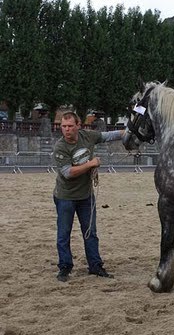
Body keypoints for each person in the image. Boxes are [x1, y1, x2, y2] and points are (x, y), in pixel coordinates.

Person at [53, 111, 126, 282]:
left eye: (70, 126)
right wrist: (91, 164)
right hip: (65, 197)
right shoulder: (60, 147)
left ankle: (95, 266)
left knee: (90, 232)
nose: (66, 130)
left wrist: (128, 131)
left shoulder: (88, 136)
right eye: (63, 126)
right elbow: (68, 173)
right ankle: (65, 267)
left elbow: (108, 135)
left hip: (86, 196)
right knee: (64, 234)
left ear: (78, 125)